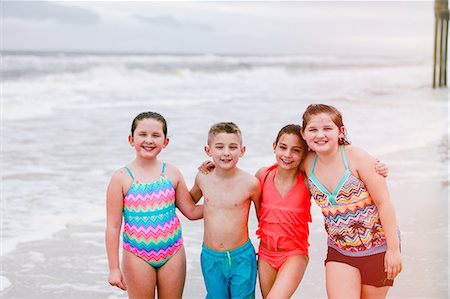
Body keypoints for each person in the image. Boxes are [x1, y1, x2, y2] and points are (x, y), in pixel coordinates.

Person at [199, 123, 389, 299]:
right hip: (265, 254)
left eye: (296, 150)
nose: (288, 154)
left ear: (304, 154)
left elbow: (336, 174)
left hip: (294, 254)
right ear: (274, 146)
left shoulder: (307, 181)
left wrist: (375, 168)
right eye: (283, 147)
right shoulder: (262, 176)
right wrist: (214, 166)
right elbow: (235, 185)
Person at [300, 104, 402, 299]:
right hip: (340, 251)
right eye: (313, 129)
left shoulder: (357, 157)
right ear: (303, 134)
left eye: (327, 128)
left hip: (378, 249)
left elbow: (384, 203)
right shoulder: (306, 163)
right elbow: (282, 168)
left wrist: (393, 249)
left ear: (341, 131)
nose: (320, 135)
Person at [105, 111, 203, 299]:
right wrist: (114, 268)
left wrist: (222, 200)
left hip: (172, 252)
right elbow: (113, 226)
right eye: (142, 134)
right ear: (131, 139)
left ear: (165, 142)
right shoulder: (121, 178)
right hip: (137, 254)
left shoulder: (172, 173)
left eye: (156, 135)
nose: (149, 140)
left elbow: (190, 210)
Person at [190, 122, 261, 299]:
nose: (226, 153)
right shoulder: (203, 178)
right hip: (211, 257)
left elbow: (263, 219)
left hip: (242, 257)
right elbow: (189, 203)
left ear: (242, 151)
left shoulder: (250, 184)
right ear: (208, 150)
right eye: (219, 147)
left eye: (232, 147)